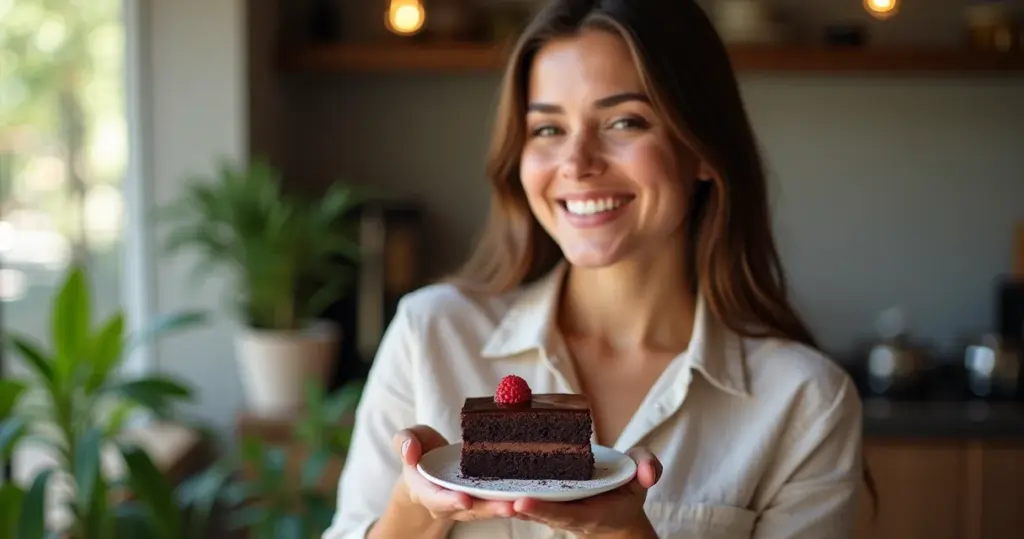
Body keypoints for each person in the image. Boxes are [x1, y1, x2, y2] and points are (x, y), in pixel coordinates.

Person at [324, 0, 871, 538]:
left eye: (624, 121)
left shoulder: (805, 402)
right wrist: (418, 502)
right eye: (547, 129)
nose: (577, 163)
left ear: (703, 148)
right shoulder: (432, 334)